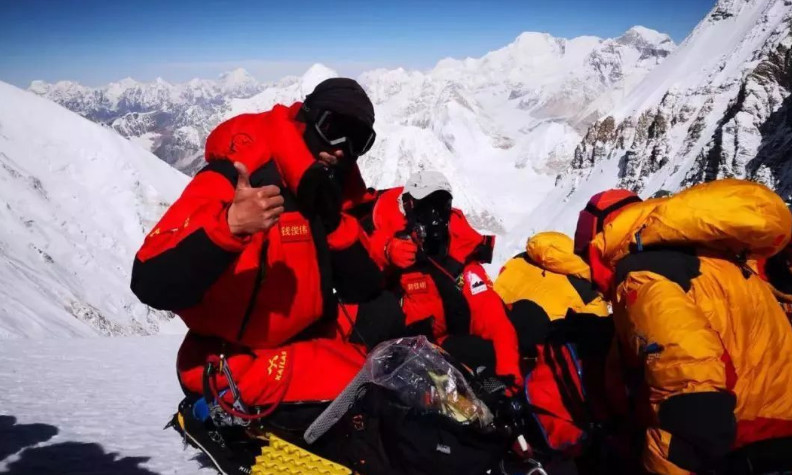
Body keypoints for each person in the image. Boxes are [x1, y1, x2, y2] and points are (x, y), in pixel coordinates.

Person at [131, 78, 404, 475]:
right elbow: (149, 279)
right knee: (374, 396)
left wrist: (332, 220)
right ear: (304, 120)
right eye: (332, 127)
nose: (341, 146)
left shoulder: (324, 189)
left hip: (301, 338)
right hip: (233, 360)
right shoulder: (237, 178)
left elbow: (362, 285)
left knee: (392, 330)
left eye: (359, 140)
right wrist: (231, 225)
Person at [573, 180, 792, 474]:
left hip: (741, 450)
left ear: (596, 241)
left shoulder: (644, 276)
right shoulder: (717, 259)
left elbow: (691, 400)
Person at [361, 171, 522, 391]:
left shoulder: (459, 254)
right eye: (426, 207)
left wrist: (508, 372)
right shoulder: (386, 237)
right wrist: (386, 253)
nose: (434, 218)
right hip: (392, 353)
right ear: (408, 207)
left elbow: (490, 313)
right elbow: (358, 272)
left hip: (439, 349)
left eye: (441, 207)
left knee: (493, 353)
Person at [494, 232, 612, 463]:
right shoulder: (588, 292)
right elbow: (593, 354)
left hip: (493, 353)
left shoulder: (520, 260)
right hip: (535, 380)